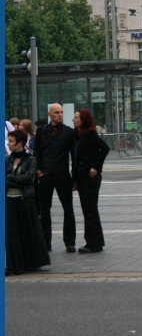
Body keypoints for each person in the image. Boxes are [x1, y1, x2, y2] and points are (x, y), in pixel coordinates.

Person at [5, 129, 50, 275]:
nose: (8, 144)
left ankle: (29, 262)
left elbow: (29, 179)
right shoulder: (7, 159)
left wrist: (11, 178)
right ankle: (14, 265)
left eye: (11, 141)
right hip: (9, 201)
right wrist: (17, 179)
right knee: (11, 235)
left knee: (27, 232)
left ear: (19, 143)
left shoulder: (30, 159)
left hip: (25, 201)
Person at [34, 103, 76, 252]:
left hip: (62, 175)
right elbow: (37, 152)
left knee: (68, 209)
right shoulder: (41, 132)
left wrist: (74, 176)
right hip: (45, 175)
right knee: (44, 211)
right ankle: (46, 242)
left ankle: (70, 242)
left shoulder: (69, 132)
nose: (60, 115)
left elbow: (74, 155)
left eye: (61, 112)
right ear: (49, 114)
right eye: (56, 112)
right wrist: (39, 171)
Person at [72, 109, 110, 254]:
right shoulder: (78, 135)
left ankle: (93, 243)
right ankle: (96, 241)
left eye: (76, 118)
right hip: (82, 177)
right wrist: (75, 179)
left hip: (90, 178)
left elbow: (105, 148)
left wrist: (96, 167)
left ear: (83, 120)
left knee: (90, 210)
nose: (73, 120)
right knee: (89, 210)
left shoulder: (90, 134)